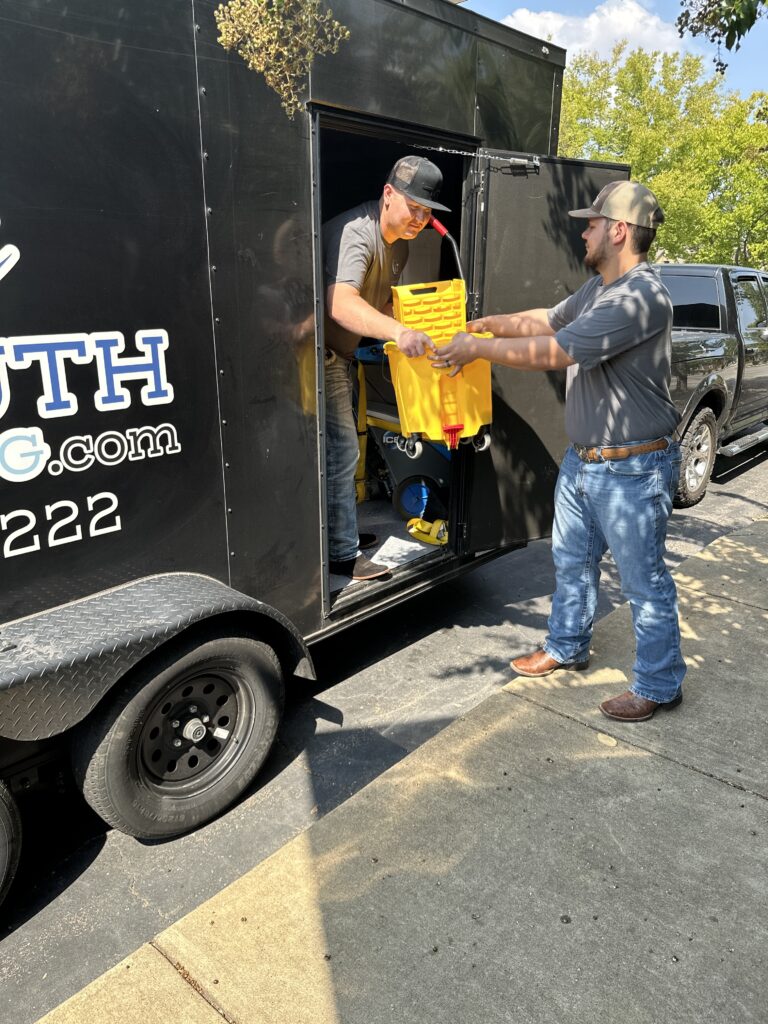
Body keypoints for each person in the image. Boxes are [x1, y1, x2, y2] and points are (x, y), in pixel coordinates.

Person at [433, 180, 686, 722]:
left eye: (592, 223)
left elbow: (557, 349)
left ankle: (660, 684)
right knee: (571, 562)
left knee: (645, 583)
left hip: (633, 467)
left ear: (619, 231)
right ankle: (567, 645)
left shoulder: (640, 297)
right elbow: (546, 320)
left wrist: (478, 350)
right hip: (585, 461)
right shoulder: (598, 290)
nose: (583, 230)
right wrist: (485, 325)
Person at [323, 155, 448, 581]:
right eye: (414, 207)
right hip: (317, 355)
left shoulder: (400, 243)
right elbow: (340, 303)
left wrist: (427, 324)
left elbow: (378, 301)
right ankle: (341, 554)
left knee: (341, 453)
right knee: (341, 454)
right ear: (389, 194)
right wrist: (398, 332)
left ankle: (340, 535)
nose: (420, 218)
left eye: (427, 212)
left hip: (343, 355)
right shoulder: (356, 233)